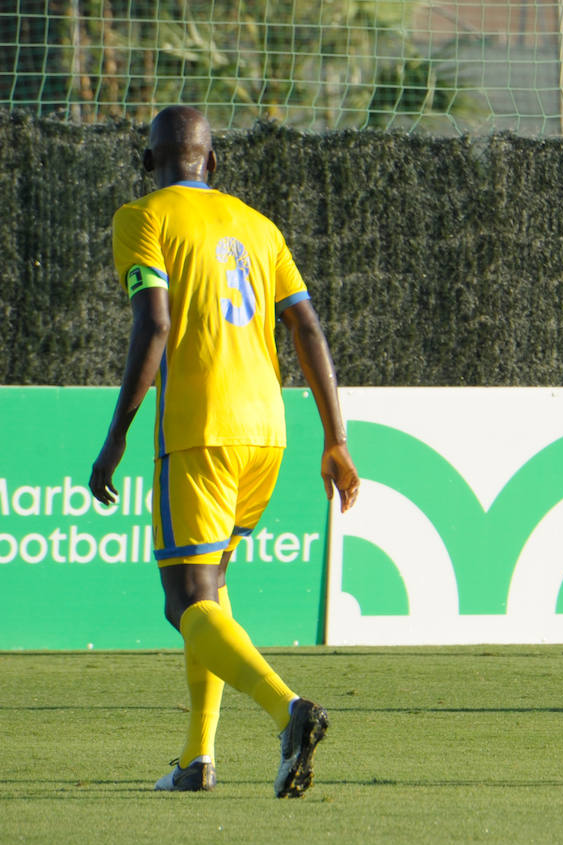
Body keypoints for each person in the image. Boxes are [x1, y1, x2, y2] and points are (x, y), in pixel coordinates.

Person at [88, 106, 360, 795]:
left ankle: (287, 710)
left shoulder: (142, 217)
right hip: (268, 429)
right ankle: (197, 760)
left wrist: (117, 432)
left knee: (184, 601)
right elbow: (306, 325)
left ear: (149, 163)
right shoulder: (259, 226)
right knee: (211, 589)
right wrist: (336, 438)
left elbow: (154, 323)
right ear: (213, 162)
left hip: (200, 427)